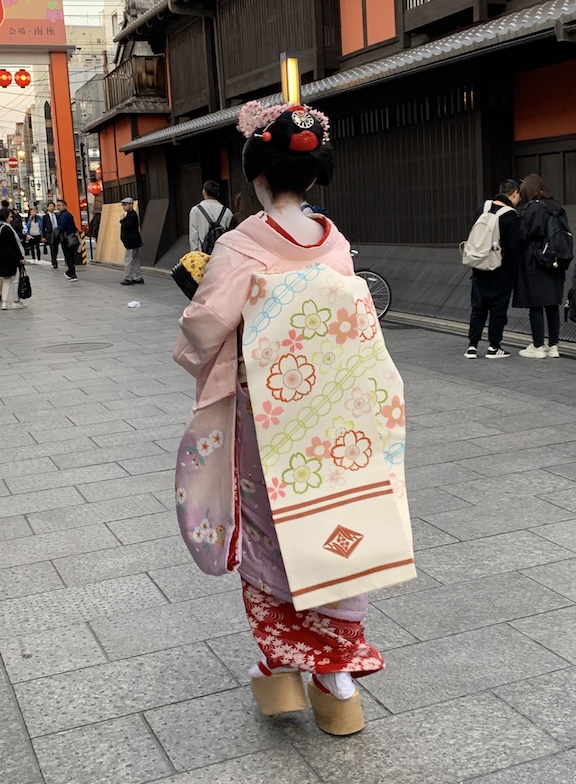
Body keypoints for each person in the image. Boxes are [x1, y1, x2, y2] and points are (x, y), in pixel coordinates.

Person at [173, 101, 409, 736]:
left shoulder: (241, 244)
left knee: (272, 529)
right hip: (339, 418)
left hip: (269, 419)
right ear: (310, 179)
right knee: (337, 523)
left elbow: (204, 327)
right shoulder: (336, 243)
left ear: (256, 176)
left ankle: (280, 671)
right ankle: (336, 680)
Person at [464, 179, 521, 359]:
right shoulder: (511, 215)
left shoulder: (483, 208)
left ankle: (472, 347)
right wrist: (513, 273)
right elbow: (513, 248)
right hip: (500, 269)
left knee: (478, 308)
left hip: (478, 265)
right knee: (497, 309)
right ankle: (494, 347)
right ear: (514, 194)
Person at [514, 173, 567, 359]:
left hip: (536, 261)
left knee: (536, 304)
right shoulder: (557, 206)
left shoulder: (532, 208)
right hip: (556, 260)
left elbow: (524, 235)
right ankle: (554, 346)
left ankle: (538, 345)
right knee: (552, 304)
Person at [188, 179, 233, 252]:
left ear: (204, 192)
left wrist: (195, 254)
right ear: (217, 194)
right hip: (221, 252)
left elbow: (194, 236)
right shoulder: (227, 212)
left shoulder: (196, 210)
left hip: (202, 254)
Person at [0, 207, 26, 310]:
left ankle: (4, 303)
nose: (11, 219)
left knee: (6, 281)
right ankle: (16, 301)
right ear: (6, 217)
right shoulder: (7, 228)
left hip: (2, 259)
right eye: (10, 217)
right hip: (11, 258)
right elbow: (14, 244)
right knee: (15, 280)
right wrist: (21, 257)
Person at [119, 197, 144, 285]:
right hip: (134, 241)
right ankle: (138, 276)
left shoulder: (132, 215)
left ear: (130, 205)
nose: (123, 206)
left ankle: (128, 278)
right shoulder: (132, 215)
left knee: (128, 260)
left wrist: (122, 220)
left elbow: (127, 226)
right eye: (123, 205)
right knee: (135, 260)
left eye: (125, 205)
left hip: (130, 241)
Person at [57, 199, 80, 281]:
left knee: (68, 257)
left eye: (60, 205)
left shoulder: (64, 216)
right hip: (72, 238)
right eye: (58, 205)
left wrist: (56, 232)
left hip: (67, 239)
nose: (58, 207)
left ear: (64, 206)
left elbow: (61, 228)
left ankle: (72, 274)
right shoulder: (69, 214)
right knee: (70, 257)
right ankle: (70, 272)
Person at [42, 201, 60, 268]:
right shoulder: (45, 217)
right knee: (52, 248)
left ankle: (55, 259)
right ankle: (54, 262)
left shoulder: (57, 216)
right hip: (50, 235)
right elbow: (43, 228)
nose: (52, 208)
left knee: (56, 248)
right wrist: (44, 237)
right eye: (50, 206)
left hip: (57, 234)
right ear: (48, 208)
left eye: (53, 206)